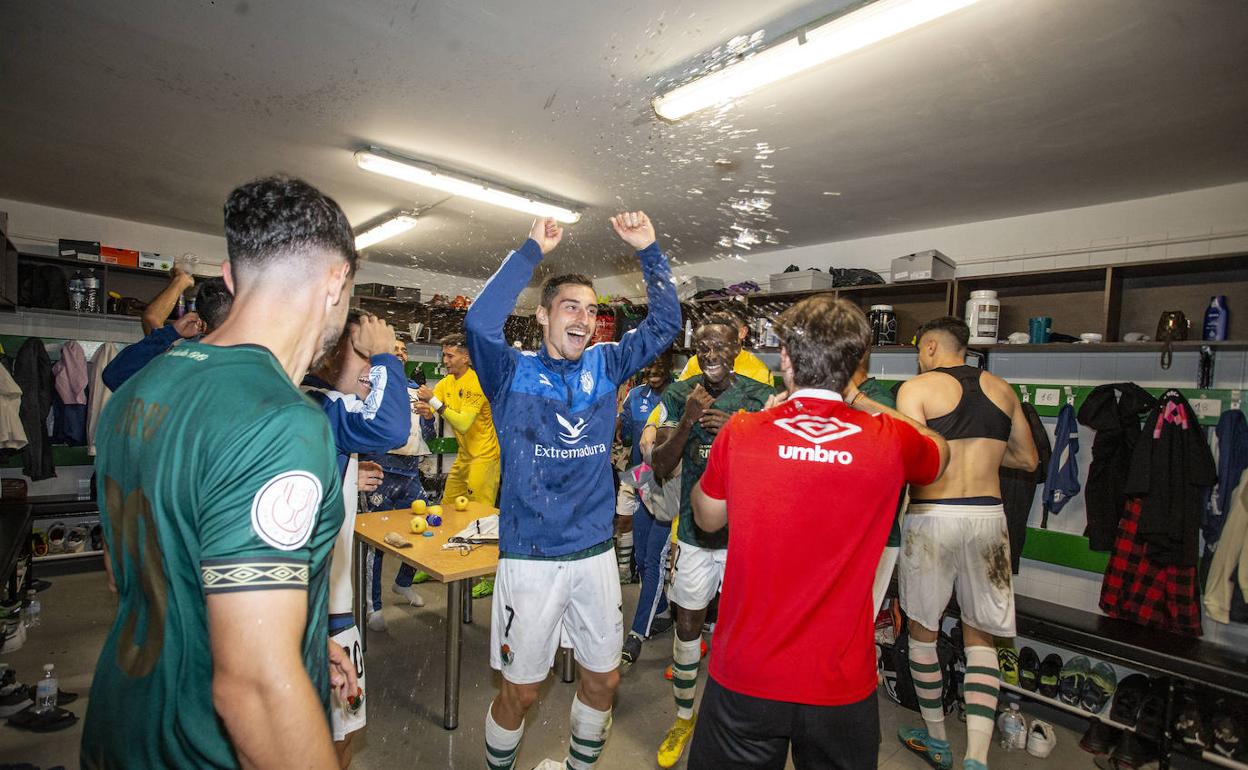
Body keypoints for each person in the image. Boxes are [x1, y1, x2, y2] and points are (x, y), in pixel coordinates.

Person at [81, 175, 358, 769]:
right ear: (336, 281)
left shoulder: (139, 387)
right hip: (201, 751)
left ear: (232, 278)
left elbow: (137, 571)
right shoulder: (281, 421)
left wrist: (302, 642)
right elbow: (254, 690)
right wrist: (277, 667)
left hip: (123, 728)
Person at [685, 296, 949, 770]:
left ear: (786, 359)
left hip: (748, 672)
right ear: (855, 363)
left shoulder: (742, 431)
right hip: (839, 683)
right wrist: (859, 402)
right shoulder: (888, 439)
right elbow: (940, 451)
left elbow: (707, 519)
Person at [465, 212, 680, 770]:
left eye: (592, 309)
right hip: (530, 557)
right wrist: (530, 252)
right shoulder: (509, 372)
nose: (584, 318)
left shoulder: (607, 365)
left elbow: (663, 326)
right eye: (570, 306)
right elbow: (479, 324)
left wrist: (650, 251)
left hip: (595, 553)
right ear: (541, 315)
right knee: (522, 692)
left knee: (605, 680)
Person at [895, 316, 1039, 770]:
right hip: (987, 519)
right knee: (980, 634)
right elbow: (1029, 460)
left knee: (924, 627)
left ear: (933, 347)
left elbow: (917, 462)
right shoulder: (1002, 389)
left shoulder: (916, 389)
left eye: (921, 348)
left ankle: (937, 738)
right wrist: (987, 456)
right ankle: (977, 758)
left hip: (933, 517)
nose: (919, 356)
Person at [650, 312, 775, 769]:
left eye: (720, 345)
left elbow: (780, 468)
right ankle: (684, 717)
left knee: (742, 632)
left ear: (738, 347)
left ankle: (735, 719)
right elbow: (660, 465)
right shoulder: (681, 393)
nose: (711, 355)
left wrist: (742, 432)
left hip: (747, 536)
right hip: (694, 534)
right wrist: (687, 421)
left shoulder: (762, 397)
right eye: (703, 347)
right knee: (687, 626)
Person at [301, 311, 411, 766]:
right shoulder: (325, 403)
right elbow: (390, 428)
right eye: (362, 356)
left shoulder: (305, 404)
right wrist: (387, 356)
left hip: (307, 601)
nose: (370, 373)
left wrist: (347, 470)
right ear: (330, 357)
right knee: (336, 736)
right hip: (327, 609)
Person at [395, 333, 501, 598]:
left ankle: (488, 575)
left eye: (450, 355)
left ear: (466, 358)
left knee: (484, 517)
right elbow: (433, 408)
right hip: (466, 456)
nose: (446, 360)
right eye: (444, 355)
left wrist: (434, 403)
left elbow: (462, 423)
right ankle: (440, 562)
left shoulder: (477, 382)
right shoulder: (446, 383)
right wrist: (427, 408)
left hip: (485, 458)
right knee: (446, 509)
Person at [363, 340, 438, 630]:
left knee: (424, 531)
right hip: (380, 471)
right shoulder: (371, 382)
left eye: (404, 349)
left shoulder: (414, 389)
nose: (400, 352)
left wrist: (430, 418)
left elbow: (428, 437)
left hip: (410, 474)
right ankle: (374, 607)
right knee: (376, 544)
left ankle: (403, 583)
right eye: (394, 347)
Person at [616, 352, 675, 666]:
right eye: (648, 367)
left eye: (658, 366)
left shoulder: (678, 394)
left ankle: (636, 634)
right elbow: (627, 437)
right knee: (641, 556)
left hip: (670, 483)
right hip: (641, 477)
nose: (653, 372)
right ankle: (662, 609)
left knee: (653, 558)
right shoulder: (635, 396)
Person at [101, 276, 234, 391]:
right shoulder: (239, 363)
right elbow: (115, 376)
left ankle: (181, 280)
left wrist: (170, 333)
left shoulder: (182, 358)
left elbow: (114, 376)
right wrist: (170, 334)